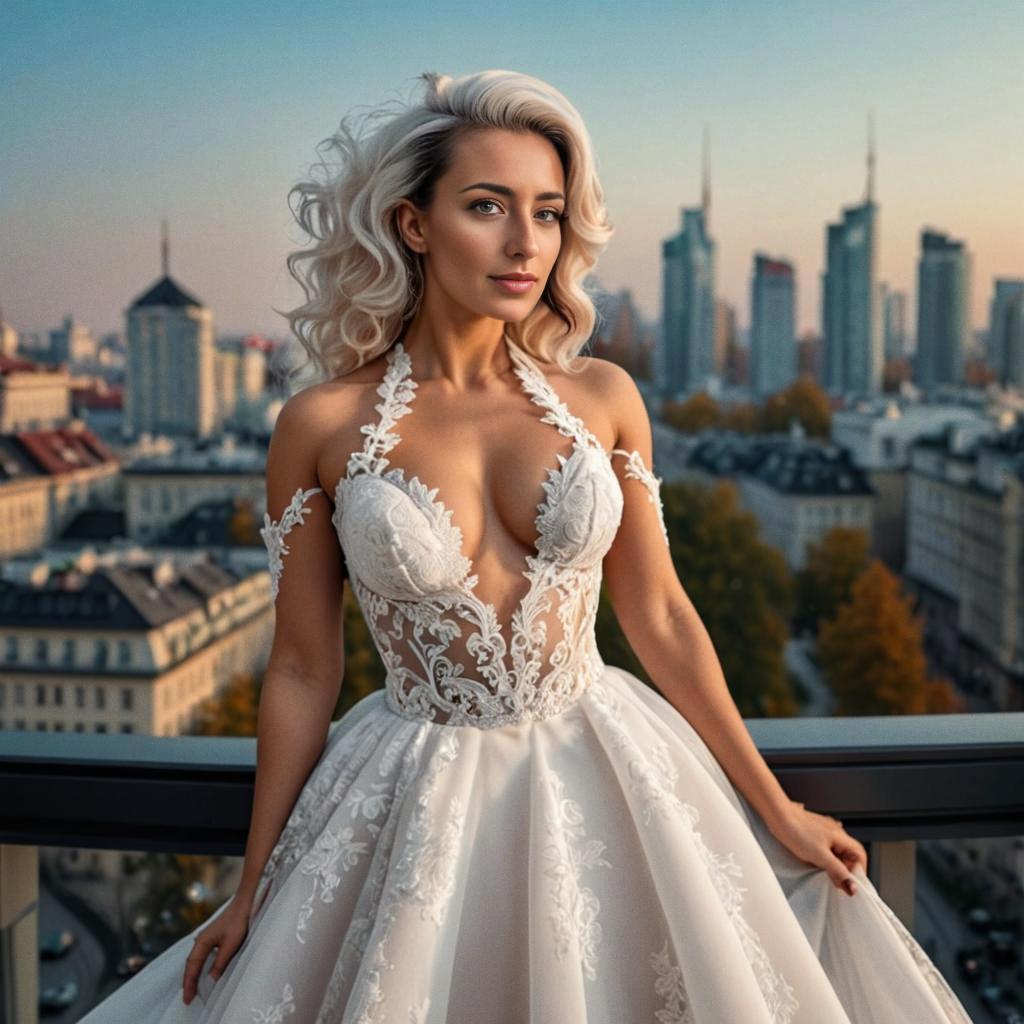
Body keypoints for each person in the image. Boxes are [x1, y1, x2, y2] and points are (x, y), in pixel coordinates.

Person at [80, 69, 973, 1023]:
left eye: (547, 213)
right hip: (414, 796)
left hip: (613, 773)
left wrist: (775, 806)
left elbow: (662, 613)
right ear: (414, 224)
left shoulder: (605, 397)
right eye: (486, 206)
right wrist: (253, 885)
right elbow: (302, 668)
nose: (525, 244)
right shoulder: (321, 424)